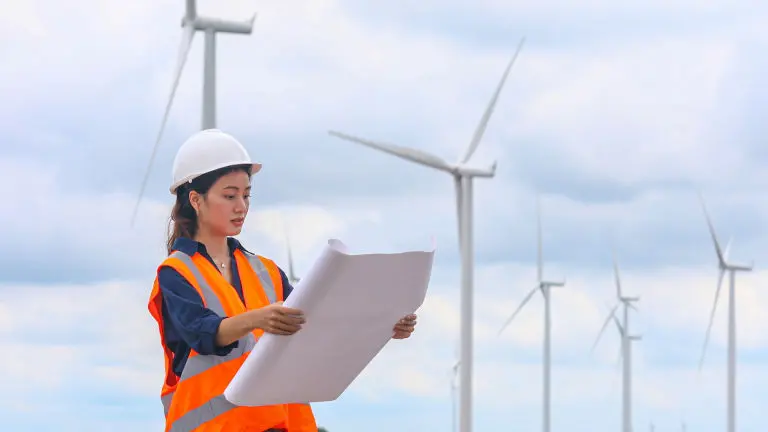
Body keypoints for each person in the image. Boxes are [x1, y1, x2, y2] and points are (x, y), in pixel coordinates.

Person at [147, 129, 419, 432]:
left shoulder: (266, 271)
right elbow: (201, 332)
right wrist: (259, 319)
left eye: (247, 194)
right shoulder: (176, 272)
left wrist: (382, 326)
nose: (242, 206)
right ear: (196, 200)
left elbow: (316, 325)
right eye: (229, 195)